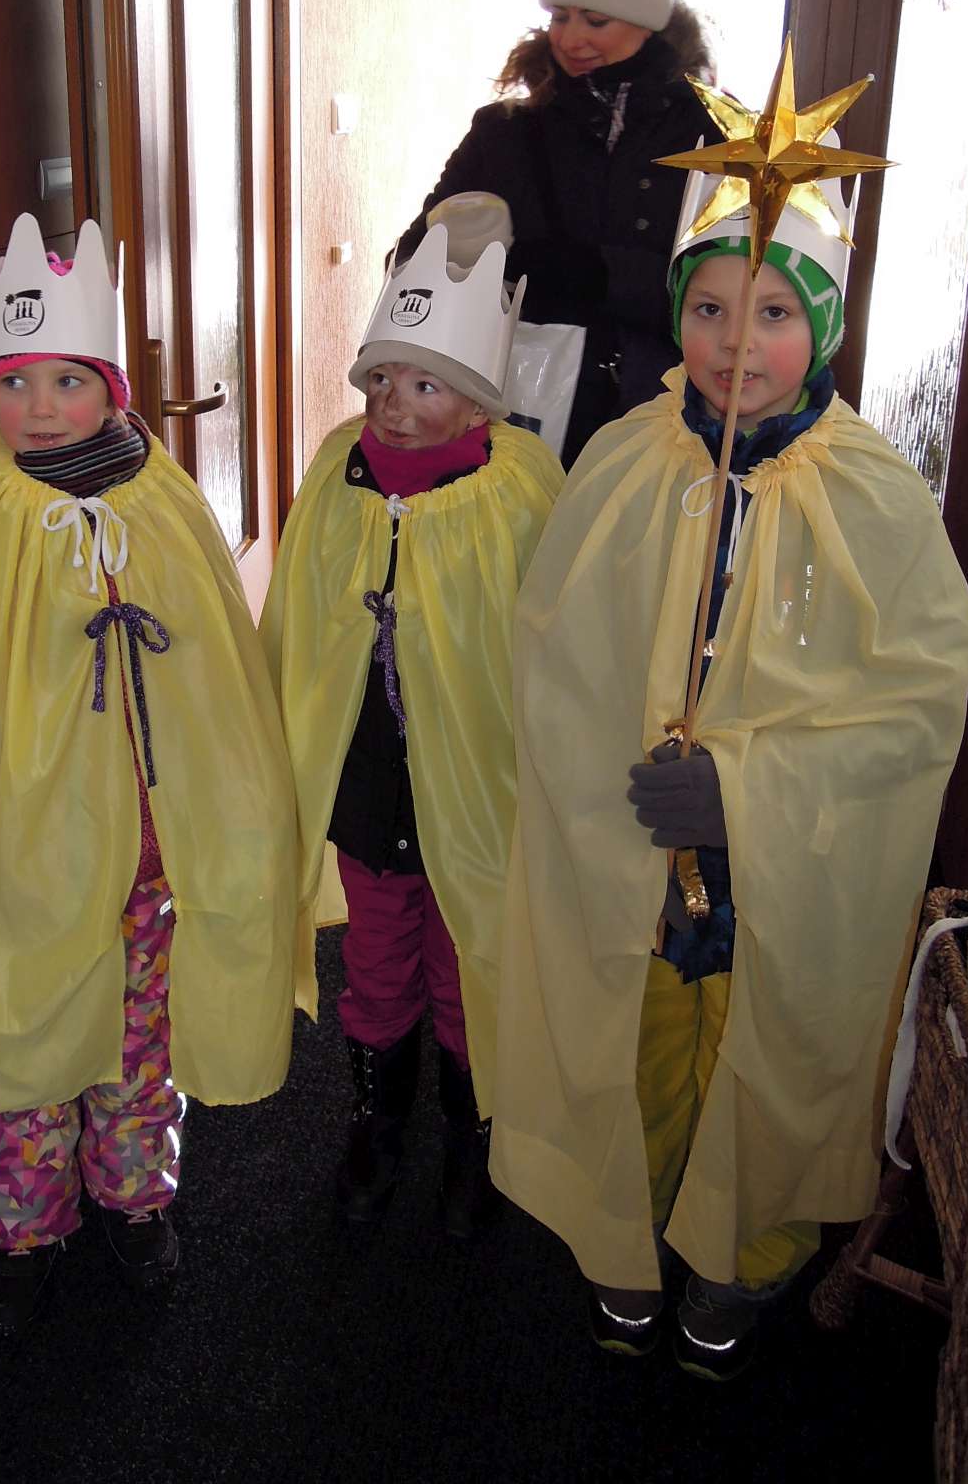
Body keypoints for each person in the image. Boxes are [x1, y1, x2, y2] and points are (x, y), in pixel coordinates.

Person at [488, 174, 968, 1376]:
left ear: (824, 325)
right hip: (635, 847)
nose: (734, 343)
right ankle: (627, 1224)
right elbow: (554, 649)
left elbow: (916, 704)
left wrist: (746, 788)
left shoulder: (876, 493)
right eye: (709, 308)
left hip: (788, 867)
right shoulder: (624, 457)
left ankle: (740, 1250)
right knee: (638, 1034)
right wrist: (618, 768)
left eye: (773, 312)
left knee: (768, 1051)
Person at [0, 212, 301, 1340]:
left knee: (138, 1041)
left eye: (68, 380)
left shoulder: (162, 497)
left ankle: (135, 1199)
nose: (41, 407)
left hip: (148, 854)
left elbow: (215, 670)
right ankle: (20, 1226)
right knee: (20, 1040)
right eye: (13, 383)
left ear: (109, 385)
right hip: (26, 855)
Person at [261, 225, 564, 1240]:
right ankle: (377, 1122)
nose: (393, 401)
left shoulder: (519, 490)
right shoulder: (338, 471)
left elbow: (556, 643)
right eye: (381, 377)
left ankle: (475, 1136)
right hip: (368, 783)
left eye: (424, 384)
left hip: (475, 790)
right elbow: (300, 615)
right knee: (378, 959)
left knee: (470, 961)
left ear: (478, 403)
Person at [396, 0, 721, 466]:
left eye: (595, 20)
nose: (571, 39)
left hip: (657, 424)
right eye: (559, 16)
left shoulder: (709, 135)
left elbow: (736, 299)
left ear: (648, 21)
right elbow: (410, 262)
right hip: (515, 417)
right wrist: (481, 261)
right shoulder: (503, 132)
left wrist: (601, 276)